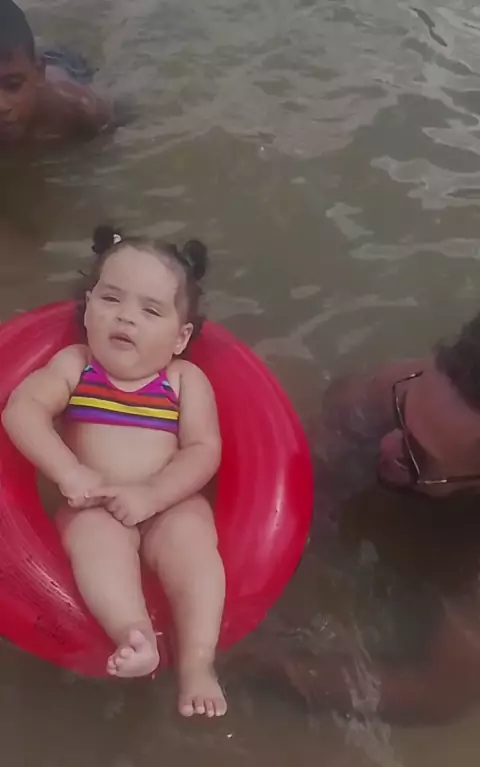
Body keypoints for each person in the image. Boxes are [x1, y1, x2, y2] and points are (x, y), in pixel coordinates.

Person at [2, 226, 227, 719]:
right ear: (87, 308)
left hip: (167, 502)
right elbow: (22, 410)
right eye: (110, 299)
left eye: (151, 310)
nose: (125, 316)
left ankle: (197, 663)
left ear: (181, 337)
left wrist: (154, 494)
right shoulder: (76, 366)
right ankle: (134, 633)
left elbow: (203, 450)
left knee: (194, 547)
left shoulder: (183, 380)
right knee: (93, 541)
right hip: (95, 502)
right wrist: (69, 472)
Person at [239, 313, 480, 724]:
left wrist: (270, 666)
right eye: (401, 413)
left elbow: (437, 695)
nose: (386, 444)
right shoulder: (413, 382)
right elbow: (316, 449)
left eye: (417, 456)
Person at [0, 0, 112, 147]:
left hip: (63, 64)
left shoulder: (77, 109)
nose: (1, 105)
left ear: (39, 73)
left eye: (13, 86)